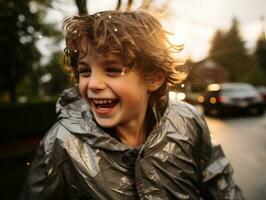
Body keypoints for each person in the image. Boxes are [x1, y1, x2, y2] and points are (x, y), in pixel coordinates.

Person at [20, 10, 244, 199]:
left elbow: (219, 179)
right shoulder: (62, 144)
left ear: (154, 78)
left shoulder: (187, 120)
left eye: (113, 70)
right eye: (84, 71)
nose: (93, 84)